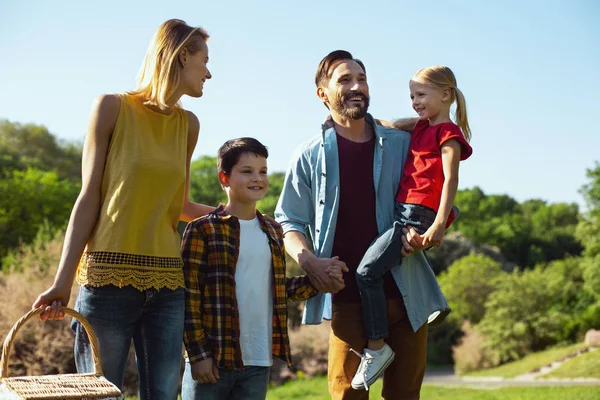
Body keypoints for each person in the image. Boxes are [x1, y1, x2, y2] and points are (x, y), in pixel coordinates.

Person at [31, 19, 214, 399]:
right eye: (204, 61)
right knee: (100, 394)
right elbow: (89, 197)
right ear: (181, 58)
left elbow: (178, 206)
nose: (209, 73)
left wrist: (234, 213)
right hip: (107, 283)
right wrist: (63, 281)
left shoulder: (189, 125)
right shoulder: (112, 108)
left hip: (167, 285)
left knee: (163, 394)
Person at [275, 50, 450, 400]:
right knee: (347, 396)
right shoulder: (308, 155)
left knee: (405, 395)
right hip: (347, 301)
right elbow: (289, 221)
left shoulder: (403, 145)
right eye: (345, 80)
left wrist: (430, 231)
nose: (357, 86)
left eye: (362, 79)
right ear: (322, 93)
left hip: (407, 295)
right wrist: (308, 261)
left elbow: (435, 188)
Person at [181, 137, 337, 400]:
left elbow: (277, 288)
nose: (258, 178)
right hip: (214, 360)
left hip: (258, 360)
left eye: (263, 171)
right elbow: (188, 295)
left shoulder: (274, 231)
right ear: (224, 178)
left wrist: (319, 280)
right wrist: (198, 355)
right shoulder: (202, 229)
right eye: (247, 171)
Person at [352, 65, 473, 389]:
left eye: (421, 95)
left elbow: (451, 180)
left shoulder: (448, 134)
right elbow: (389, 124)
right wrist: (360, 121)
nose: (415, 102)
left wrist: (438, 224)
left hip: (416, 214)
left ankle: (377, 347)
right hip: (402, 211)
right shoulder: (421, 126)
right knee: (389, 268)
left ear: (445, 94)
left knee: (367, 272)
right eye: (411, 96)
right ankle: (432, 307)